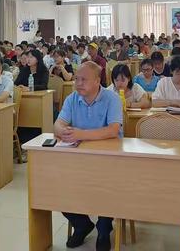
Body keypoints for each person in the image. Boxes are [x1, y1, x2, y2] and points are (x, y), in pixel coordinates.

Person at [55, 61, 122, 251]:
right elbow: (58, 124)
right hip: (77, 157)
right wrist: (63, 131)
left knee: (105, 187)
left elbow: (112, 130)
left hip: (108, 159)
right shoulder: (72, 98)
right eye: (76, 78)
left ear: (97, 81)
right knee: (55, 185)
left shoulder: (112, 98)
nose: (78, 83)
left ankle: (103, 227)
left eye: (83, 79)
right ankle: (82, 224)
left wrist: (80, 134)